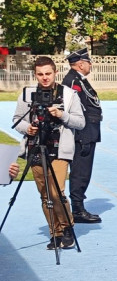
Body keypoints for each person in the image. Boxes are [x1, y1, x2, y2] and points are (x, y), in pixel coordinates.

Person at [12, 57, 86, 250]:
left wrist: (62, 115)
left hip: (59, 149)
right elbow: (17, 120)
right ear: (35, 74)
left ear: (55, 73)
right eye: (40, 74)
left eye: (48, 73)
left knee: (56, 192)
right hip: (36, 147)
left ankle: (67, 227)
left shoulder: (69, 95)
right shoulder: (27, 94)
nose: (44, 78)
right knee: (45, 195)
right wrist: (28, 128)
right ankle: (56, 233)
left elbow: (81, 122)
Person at [62, 48, 103, 224]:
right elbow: (74, 110)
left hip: (88, 132)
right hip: (82, 133)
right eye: (88, 62)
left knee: (84, 172)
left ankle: (79, 207)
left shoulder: (79, 80)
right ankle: (77, 210)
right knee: (80, 172)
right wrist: (83, 135)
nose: (90, 65)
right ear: (80, 64)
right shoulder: (73, 81)